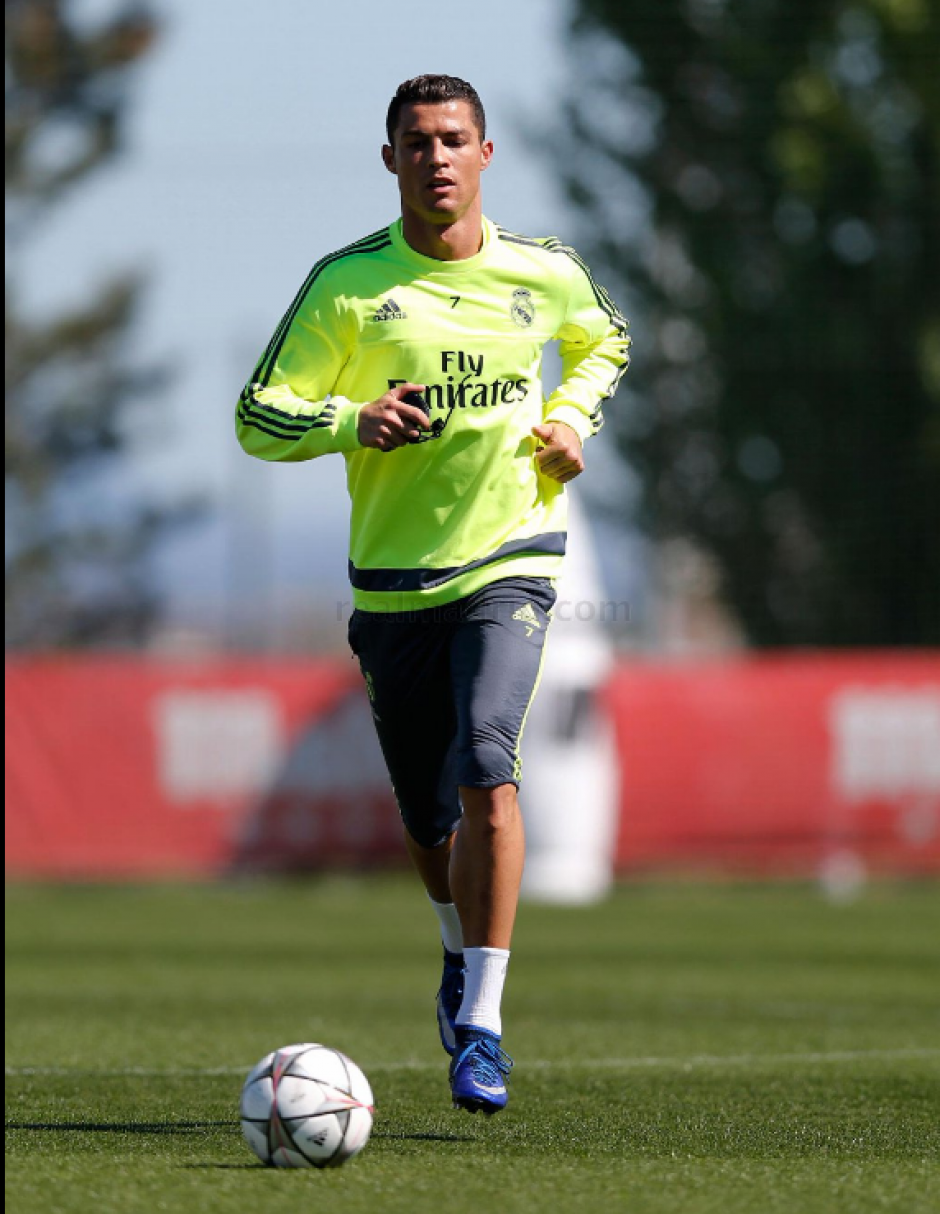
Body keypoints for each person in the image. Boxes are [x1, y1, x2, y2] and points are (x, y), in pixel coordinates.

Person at [236, 74, 629, 1115]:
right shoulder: (349, 287)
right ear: (390, 160)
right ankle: (455, 950)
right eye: (417, 142)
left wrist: (572, 414)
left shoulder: (541, 272)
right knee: (425, 815)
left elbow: (606, 340)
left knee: (488, 766)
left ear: (486, 154)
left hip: (512, 556)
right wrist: (347, 421)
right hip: (393, 588)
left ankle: (484, 1025)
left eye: (455, 139)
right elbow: (256, 414)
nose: (437, 157)